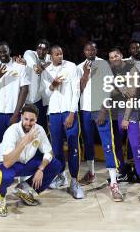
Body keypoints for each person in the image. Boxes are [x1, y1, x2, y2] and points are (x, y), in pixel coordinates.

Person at [0, 104, 63, 217]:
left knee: (55, 164)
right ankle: (0, 198)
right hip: (6, 163)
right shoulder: (12, 131)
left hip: (24, 163)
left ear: (36, 120)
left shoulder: (39, 130)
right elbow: (7, 162)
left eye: (32, 120)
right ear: (21, 117)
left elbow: (49, 152)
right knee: (6, 176)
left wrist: (41, 169)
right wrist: (25, 141)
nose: (28, 123)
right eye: (26, 119)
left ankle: (25, 189)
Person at [77, 42, 123, 201]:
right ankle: (91, 173)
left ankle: (114, 184)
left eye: (93, 49)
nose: (90, 51)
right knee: (88, 143)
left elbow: (109, 87)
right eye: (87, 49)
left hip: (100, 109)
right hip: (85, 110)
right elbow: (80, 89)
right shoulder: (79, 66)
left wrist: (104, 109)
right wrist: (85, 74)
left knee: (107, 144)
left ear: (96, 50)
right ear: (84, 51)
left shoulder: (103, 64)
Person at [110, 47, 140, 203]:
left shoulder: (131, 68)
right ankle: (124, 171)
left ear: (121, 55)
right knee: (116, 146)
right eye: (111, 57)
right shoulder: (111, 71)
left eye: (116, 55)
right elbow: (110, 92)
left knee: (136, 147)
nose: (113, 58)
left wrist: (126, 118)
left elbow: (132, 95)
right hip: (116, 113)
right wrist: (119, 86)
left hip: (131, 113)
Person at [41, 45, 84, 199]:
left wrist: (72, 112)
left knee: (73, 146)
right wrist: (53, 85)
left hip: (68, 112)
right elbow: (44, 94)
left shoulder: (71, 67)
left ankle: (74, 181)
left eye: (61, 53)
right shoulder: (46, 71)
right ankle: (60, 175)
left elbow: (76, 91)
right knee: (56, 148)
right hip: (53, 113)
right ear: (50, 56)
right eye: (57, 54)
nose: (60, 56)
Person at [0, 42, 30, 153]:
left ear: (9, 51)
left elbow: (24, 90)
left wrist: (16, 114)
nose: (2, 54)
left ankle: (16, 170)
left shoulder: (20, 68)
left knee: (16, 145)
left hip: (14, 113)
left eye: (4, 51)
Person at [23, 40, 51, 129]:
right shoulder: (30, 54)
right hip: (28, 99)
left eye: (44, 49)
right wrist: (37, 67)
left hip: (42, 99)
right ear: (36, 49)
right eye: (39, 49)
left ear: (48, 50)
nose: (41, 51)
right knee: (27, 126)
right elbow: (31, 62)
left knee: (41, 126)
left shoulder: (49, 58)